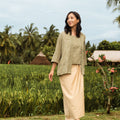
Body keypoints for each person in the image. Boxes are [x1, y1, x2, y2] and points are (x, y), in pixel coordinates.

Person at [49, 11, 87, 120]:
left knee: (77, 96)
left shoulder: (83, 37)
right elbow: (57, 53)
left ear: (78, 20)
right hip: (66, 70)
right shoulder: (63, 35)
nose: (69, 20)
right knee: (70, 97)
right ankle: (76, 118)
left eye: (72, 18)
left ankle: (69, 118)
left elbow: (82, 54)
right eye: (68, 18)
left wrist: (82, 70)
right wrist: (52, 70)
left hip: (78, 69)